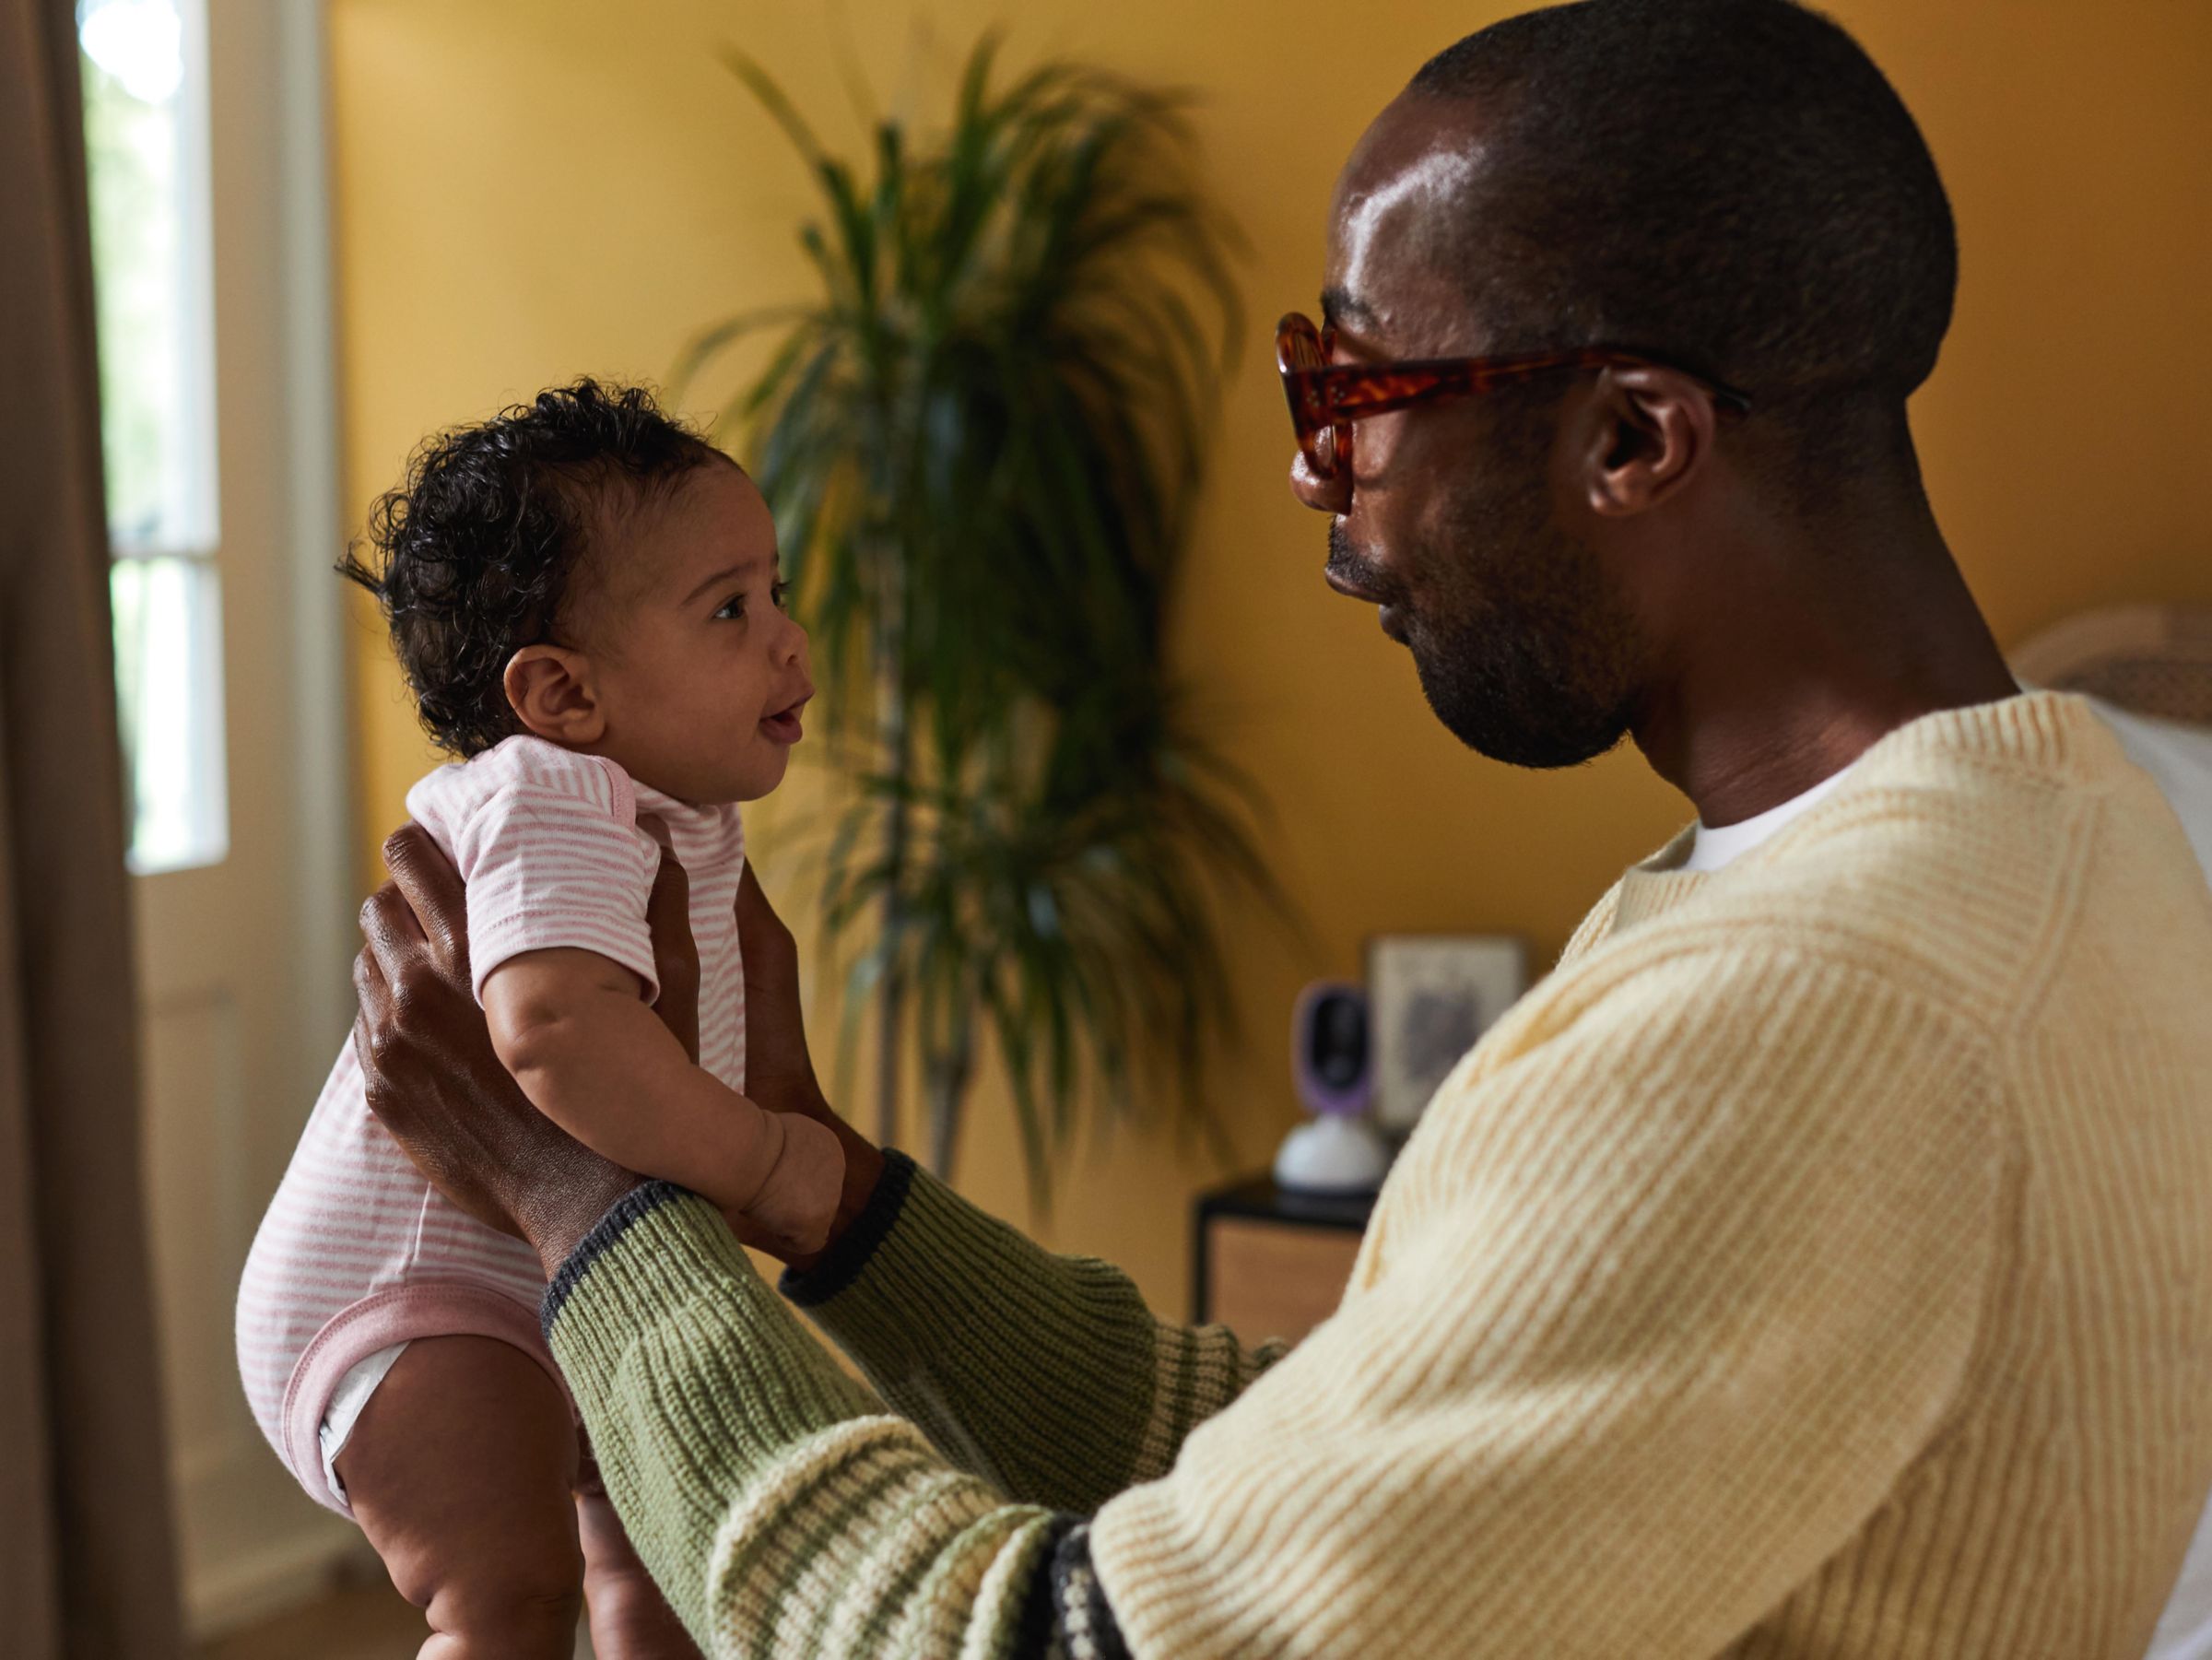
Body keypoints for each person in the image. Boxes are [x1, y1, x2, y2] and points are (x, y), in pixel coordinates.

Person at [349, 1, 2212, 1654]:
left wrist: (589, 1211)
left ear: (1635, 441)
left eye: (1359, 396)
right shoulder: (2068, 822)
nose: (1330, 506)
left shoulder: (1822, 1015)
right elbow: (1336, 1463)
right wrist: (809, 1182)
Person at [237, 380, 836, 1657]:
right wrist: (762, 1159)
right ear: (562, 695)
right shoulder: (551, 793)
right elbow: (554, 1029)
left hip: (560, 1264)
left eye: (775, 590)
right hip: (423, 1296)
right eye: (731, 608)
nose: (788, 638)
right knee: (508, 1592)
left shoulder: (676, 810)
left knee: (667, 1562)